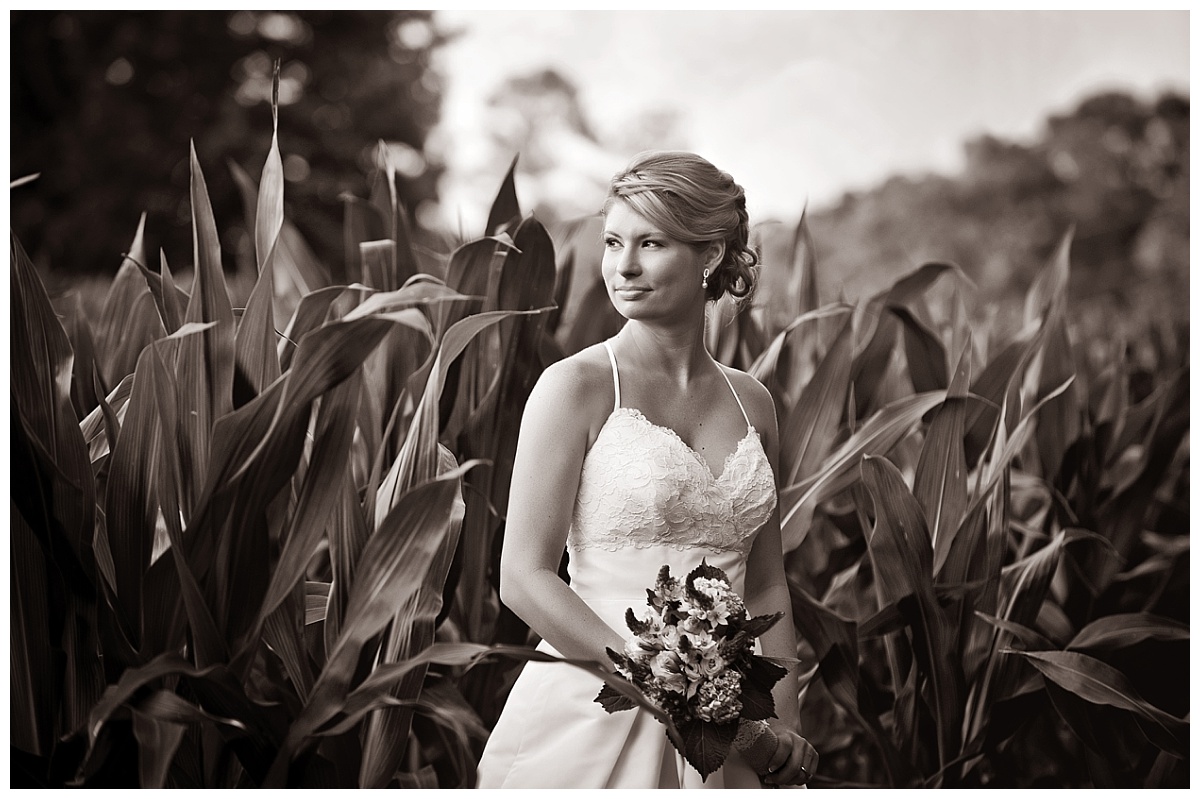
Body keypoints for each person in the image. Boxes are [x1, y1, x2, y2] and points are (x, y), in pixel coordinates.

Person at [475, 151, 819, 789]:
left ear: (711, 255)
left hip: (732, 737)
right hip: (589, 718)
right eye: (612, 242)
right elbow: (522, 577)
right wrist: (663, 684)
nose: (622, 266)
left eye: (650, 243)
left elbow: (768, 583)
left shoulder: (755, 403)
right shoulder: (573, 386)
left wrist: (779, 729)